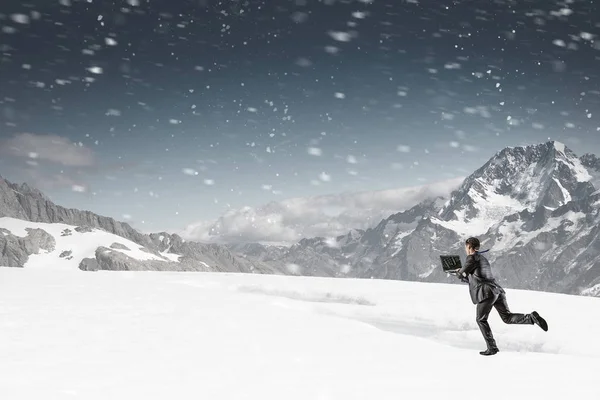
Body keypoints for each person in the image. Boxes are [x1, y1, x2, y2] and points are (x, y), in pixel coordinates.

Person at [455, 237, 548, 356]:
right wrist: (462, 275)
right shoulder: (482, 258)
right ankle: (531, 318)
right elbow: (475, 277)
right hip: (496, 291)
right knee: (507, 317)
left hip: (486, 293)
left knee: (481, 319)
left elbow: (462, 274)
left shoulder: (471, 257)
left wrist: (457, 271)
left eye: (466, 247)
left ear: (468, 247)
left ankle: (492, 347)